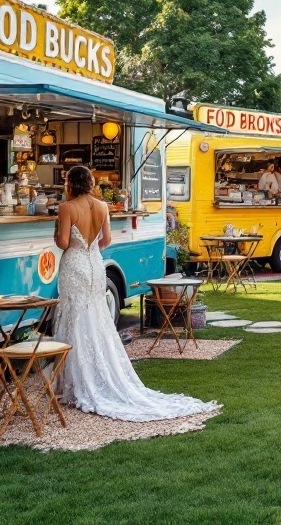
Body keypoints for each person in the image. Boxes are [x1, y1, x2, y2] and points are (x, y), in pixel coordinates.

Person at [54, 166, 217, 421]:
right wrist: (90, 246)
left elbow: (63, 243)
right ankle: (96, 376)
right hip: (95, 264)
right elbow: (106, 240)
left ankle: (73, 383)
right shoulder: (102, 207)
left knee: (75, 317)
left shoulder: (67, 208)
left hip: (74, 264)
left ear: (70, 184)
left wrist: (57, 233)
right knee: (96, 318)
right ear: (90, 183)